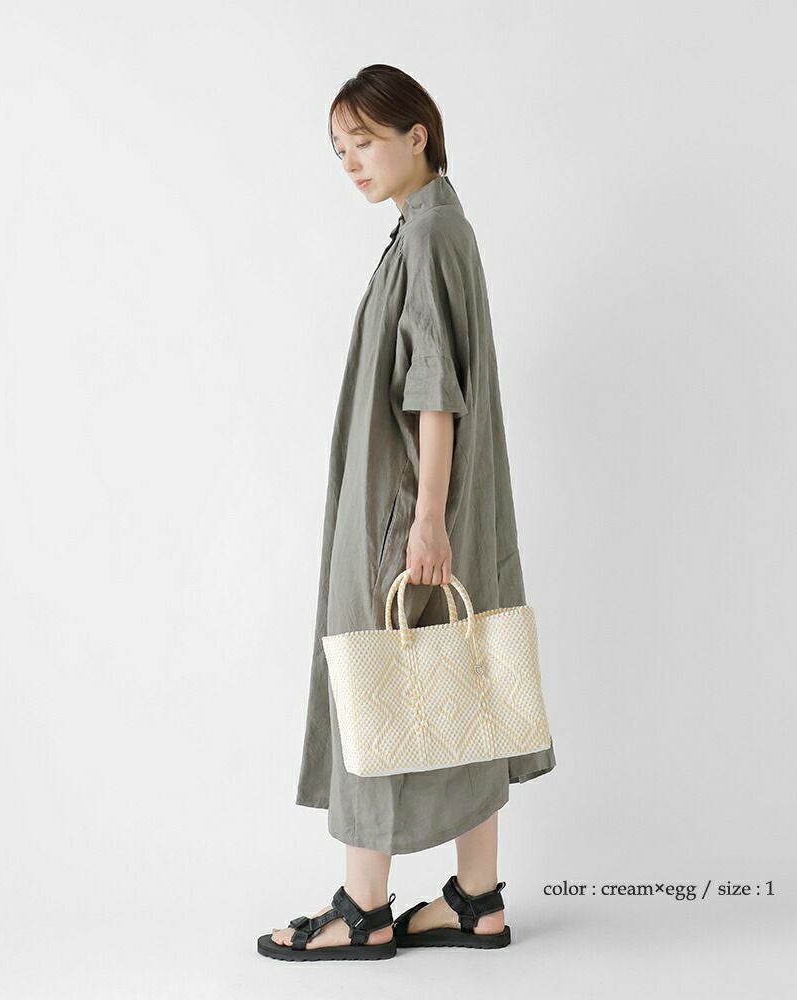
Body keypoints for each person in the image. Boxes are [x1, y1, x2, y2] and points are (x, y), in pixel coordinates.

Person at [257, 64, 556, 962]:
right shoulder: (437, 225)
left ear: (415, 135)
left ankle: (363, 909)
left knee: (375, 679)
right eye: (338, 149)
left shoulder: (425, 234)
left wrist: (426, 519)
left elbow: (432, 390)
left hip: (407, 507)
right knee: (464, 679)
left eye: (364, 141)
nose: (351, 161)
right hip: (443, 503)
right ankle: (476, 899)